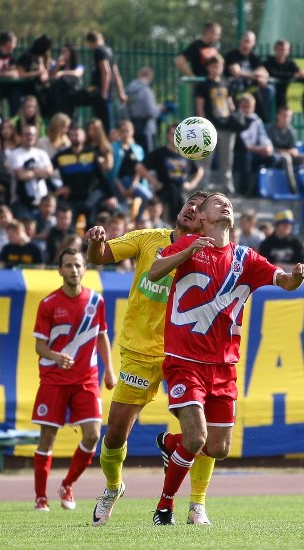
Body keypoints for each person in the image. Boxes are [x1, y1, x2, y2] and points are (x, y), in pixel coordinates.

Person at [148, 192, 304, 524]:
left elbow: (283, 282)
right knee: (197, 438)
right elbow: (153, 273)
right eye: (217, 202)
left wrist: (297, 276)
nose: (226, 205)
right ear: (203, 216)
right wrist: (186, 252)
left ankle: (171, 444)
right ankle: (165, 506)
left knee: (219, 448)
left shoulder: (246, 258)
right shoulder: (188, 244)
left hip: (223, 366)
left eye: (229, 203)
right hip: (184, 359)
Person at [85, 192, 219, 526]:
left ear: (206, 219)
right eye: (188, 202)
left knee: (204, 433)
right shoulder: (149, 239)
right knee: (115, 435)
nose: (191, 208)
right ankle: (114, 486)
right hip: (141, 351)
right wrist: (95, 241)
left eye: (200, 207)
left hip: (187, 354)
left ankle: (197, 504)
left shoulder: (214, 254)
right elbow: (101, 256)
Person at [30, 247, 115, 512]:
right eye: (68, 265)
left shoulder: (95, 301)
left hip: (85, 379)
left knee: (92, 435)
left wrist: (109, 369)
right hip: (54, 379)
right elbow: (39, 346)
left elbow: (101, 336)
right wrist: (56, 357)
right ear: (60, 270)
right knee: (47, 438)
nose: (74, 270)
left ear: (84, 269)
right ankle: (40, 497)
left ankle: (67, 485)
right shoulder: (48, 304)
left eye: (78, 265)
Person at [63, 31, 127, 131]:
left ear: (90, 41)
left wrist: (104, 94)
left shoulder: (99, 51)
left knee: (70, 98)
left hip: (98, 91)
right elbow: (116, 75)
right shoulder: (109, 51)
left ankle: (71, 124)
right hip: (106, 93)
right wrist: (121, 94)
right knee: (105, 123)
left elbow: (106, 71)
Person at [144, 123, 204, 224]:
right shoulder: (160, 153)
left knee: (182, 223)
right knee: (164, 224)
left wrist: (191, 184)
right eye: (172, 134)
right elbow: (140, 167)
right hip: (164, 193)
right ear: (168, 135)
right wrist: (153, 181)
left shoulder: (186, 153)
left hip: (181, 193)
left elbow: (199, 170)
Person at [195, 56, 236, 194]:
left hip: (226, 126)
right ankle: (203, 184)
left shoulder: (226, 83)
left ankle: (227, 185)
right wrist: (203, 123)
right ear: (208, 68)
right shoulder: (204, 85)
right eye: (213, 66)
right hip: (211, 126)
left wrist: (233, 114)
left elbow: (230, 103)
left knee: (227, 158)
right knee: (207, 158)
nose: (216, 69)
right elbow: (200, 106)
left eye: (218, 66)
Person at [224, 31, 273, 123]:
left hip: (250, 88)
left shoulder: (254, 56)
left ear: (253, 43)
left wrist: (261, 77)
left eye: (249, 41)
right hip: (235, 89)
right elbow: (236, 72)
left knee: (269, 89)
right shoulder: (232, 55)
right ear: (240, 41)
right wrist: (254, 75)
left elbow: (264, 72)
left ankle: (264, 120)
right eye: (245, 40)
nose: (246, 43)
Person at [233, 93, 275, 197]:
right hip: (239, 153)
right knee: (246, 158)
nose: (248, 110)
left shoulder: (256, 120)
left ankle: (260, 188)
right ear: (240, 106)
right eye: (245, 107)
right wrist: (259, 150)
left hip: (255, 151)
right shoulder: (235, 119)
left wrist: (268, 147)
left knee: (272, 158)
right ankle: (245, 191)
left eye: (250, 107)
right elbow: (245, 144)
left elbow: (263, 136)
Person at [125, 66, 161, 154]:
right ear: (150, 77)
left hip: (133, 124)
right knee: (148, 154)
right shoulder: (145, 91)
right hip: (146, 128)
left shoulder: (130, 90)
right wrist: (160, 108)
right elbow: (150, 111)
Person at [263, 39, 304, 110]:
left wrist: (303, 73)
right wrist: (292, 75)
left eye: (284, 50)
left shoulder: (290, 63)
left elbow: (299, 72)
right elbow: (272, 74)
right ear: (275, 49)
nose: (282, 52)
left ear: (288, 51)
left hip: (282, 96)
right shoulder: (268, 62)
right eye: (280, 49)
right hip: (268, 96)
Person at [265, 106, 300, 193]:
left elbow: (293, 147)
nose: (287, 119)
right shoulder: (269, 129)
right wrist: (285, 152)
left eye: (289, 116)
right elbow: (268, 148)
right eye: (284, 115)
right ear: (278, 116)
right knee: (286, 158)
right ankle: (293, 189)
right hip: (274, 157)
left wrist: (294, 151)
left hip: (288, 155)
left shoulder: (291, 131)